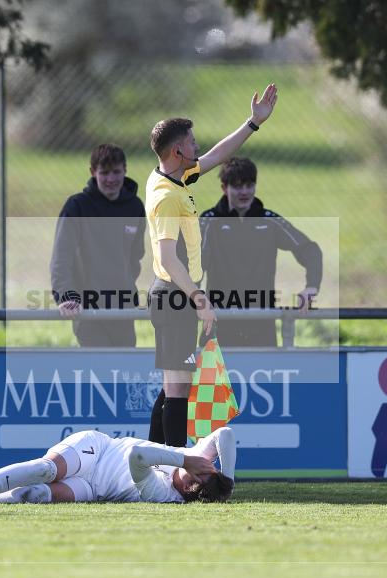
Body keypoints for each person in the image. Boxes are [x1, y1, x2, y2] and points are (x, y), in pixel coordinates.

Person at [145, 84, 278, 447]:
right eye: (191, 142)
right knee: (177, 392)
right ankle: (173, 475)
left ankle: (154, 467)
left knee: (175, 386)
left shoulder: (173, 175)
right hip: (175, 297)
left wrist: (253, 123)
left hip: (175, 296)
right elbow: (169, 257)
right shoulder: (167, 196)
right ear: (177, 151)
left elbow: (219, 154)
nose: (197, 147)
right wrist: (199, 300)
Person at [0, 427, 235, 505]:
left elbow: (137, 454)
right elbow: (226, 433)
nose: (209, 465)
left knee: (34, 494)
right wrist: (229, 480)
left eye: (209, 471)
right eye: (210, 470)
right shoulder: (201, 459)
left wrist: (186, 459)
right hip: (95, 449)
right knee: (47, 469)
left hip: (92, 487)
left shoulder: (164, 494)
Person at [200, 157, 322, 346]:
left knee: (264, 375)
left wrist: (312, 286)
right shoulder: (209, 221)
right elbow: (195, 263)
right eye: (238, 186)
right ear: (224, 188)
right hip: (219, 320)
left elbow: (309, 249)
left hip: (262, 320)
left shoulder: (269, 221)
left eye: (249, 185)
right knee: (213, 376)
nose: (244, 192)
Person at [50, 144, 146, 347]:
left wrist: (125, 286)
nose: (111, 179)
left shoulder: (135, 207)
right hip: (87, 309)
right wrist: (67, 295)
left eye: (116, 172)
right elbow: (61, 257)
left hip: (123, 308)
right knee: (99, 370)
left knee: (123, 373)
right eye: (104, 173)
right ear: (93, 172)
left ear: (125, 170)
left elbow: (135, 256)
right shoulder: (77, 206)